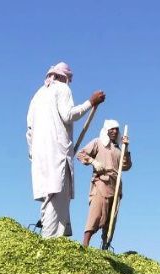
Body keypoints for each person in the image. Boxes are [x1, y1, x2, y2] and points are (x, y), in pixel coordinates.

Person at [26, 61, 105, 237]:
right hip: (57, 152)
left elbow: (29, 130)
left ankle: (59, 233)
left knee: (50, 196)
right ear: (65, 77)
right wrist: (90, 102)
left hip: (40, 154)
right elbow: (68, 115)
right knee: (57, 195)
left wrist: (33, 154)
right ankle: (51, 241)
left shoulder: (37, 96)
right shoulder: (62, 89)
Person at [76, 119, 131, 248]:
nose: (114, 131)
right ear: (106, 130)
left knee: (111, 218)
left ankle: (105, 245)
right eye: (111, 129)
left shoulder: (119, 149)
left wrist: (126, 148)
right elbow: (81, 154)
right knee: (96, 212)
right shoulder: (98, 142)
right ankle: (85, 244)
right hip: (101, 182)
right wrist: (93, 162)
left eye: (116, 129)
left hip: (115, 186)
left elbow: (126, 166)